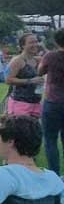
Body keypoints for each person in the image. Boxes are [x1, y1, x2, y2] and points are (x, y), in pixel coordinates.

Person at [39, 28, 64, 175]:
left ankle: (54, 173)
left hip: (53, 101)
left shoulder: (50, 56)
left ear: (56, 41)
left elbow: (40, 71)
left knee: (50, 139)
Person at [5, 33, 44, 118]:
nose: (35, 45)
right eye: (31, 42)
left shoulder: (38, 60)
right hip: (20, 103)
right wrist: (30, 81)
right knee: (20, 130)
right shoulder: (18, 61)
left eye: (36, 42)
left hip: (36, 103)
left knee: (33, 130)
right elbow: (8, 80)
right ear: (23, 45)